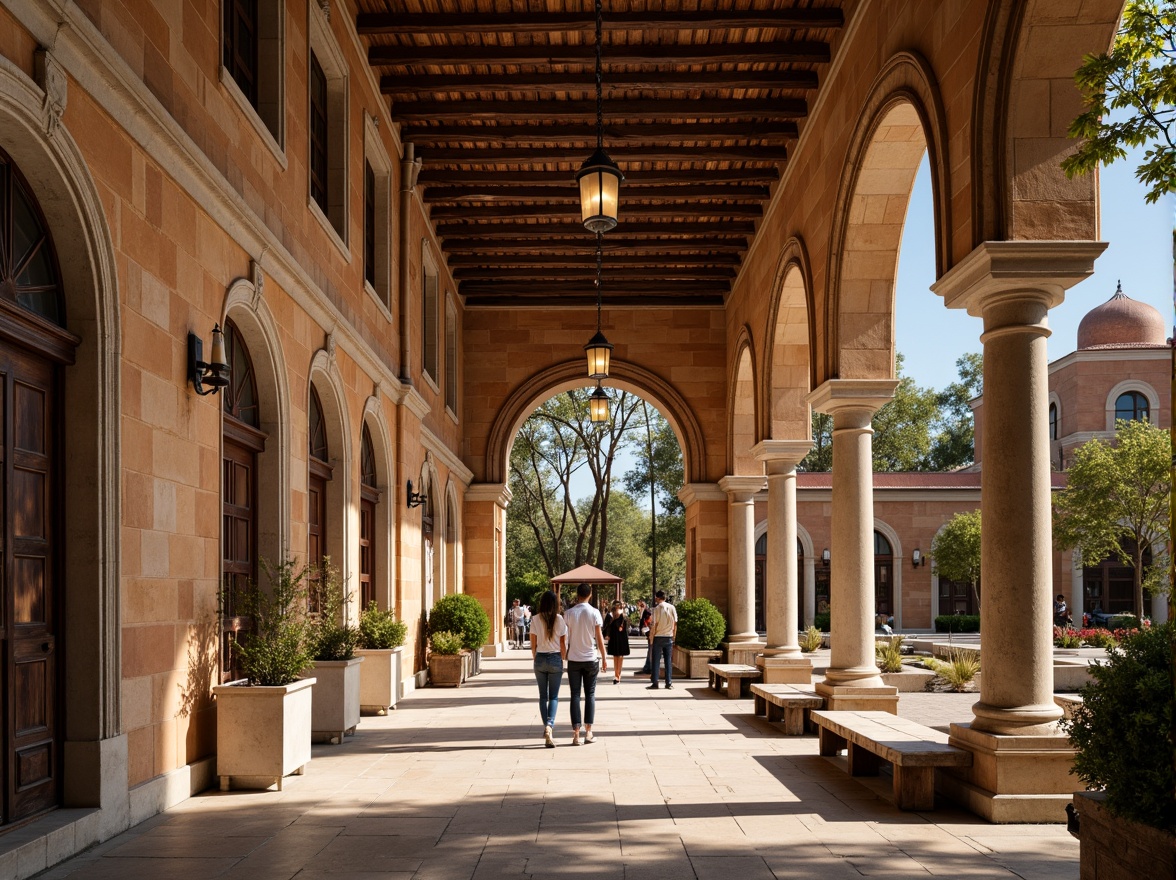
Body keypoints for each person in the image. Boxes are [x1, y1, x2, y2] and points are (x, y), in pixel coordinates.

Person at [563, 583, 607, 745]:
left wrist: (564, 655)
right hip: (590, 658)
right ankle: (588, 732)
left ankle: (576, 734)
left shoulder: (568, 614)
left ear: (577, 594)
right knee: (590, 694)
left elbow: (564, 638)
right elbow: (599, 637)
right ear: (590, 595)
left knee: (575, 695)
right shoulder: (594, 613)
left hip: (574, 658)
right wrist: (604, 656)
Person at [529, 591, 567, 748]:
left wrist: (535, 657)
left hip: (540, 658)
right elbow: (563, 643)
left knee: (542, 696)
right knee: (554, 697)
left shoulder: (535, 619)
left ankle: (547, 728)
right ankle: (550, 726)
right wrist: (563, 659)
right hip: (555, 658)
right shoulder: (559, 620)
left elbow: (533, 643)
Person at [646, 590, 678, 691]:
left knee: (656, 660)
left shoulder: (656, 609)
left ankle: (655, 682)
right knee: (668, 661)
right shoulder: (672, 607)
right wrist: (674, 636)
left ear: (658, 598)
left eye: (656, 597)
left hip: (658, 636)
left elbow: (654, 623)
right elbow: (675, 623)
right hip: (669, 636)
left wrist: (651, 637)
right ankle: (668, 682)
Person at [603, 600, 631, 684]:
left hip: (622, 637)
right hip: (614, 637)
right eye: (617, 605)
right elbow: (607, 626)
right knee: (615, 656)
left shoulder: (624, 615)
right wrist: (607, 635)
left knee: (621, 656)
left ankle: (618, 675)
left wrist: (622, 615)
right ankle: (616, 675)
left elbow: (627, 626)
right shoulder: (610, 615)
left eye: (620, 605)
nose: (618, 607)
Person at [636, 600, 653, 675]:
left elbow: (648, 621)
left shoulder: (646, 612)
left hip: (650, 633)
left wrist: (648, 630)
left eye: (639, 605)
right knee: (650, 650)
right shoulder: (644, 612)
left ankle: (648, 668)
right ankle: (647, 667)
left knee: (650, 650)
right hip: (648, 633)